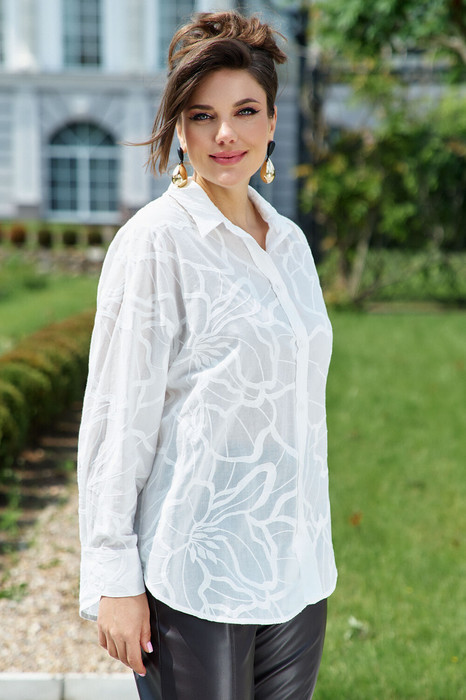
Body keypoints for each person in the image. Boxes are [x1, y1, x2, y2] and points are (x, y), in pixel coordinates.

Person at [78, 10, 337, 700]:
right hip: (194, 574)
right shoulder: (156, 242)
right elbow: (118, 416)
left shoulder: (290, 244)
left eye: (245, 111)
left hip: (297, 569)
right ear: (179, 130)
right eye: (203, 116)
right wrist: (114, 578)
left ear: (272, 122)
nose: (226, 134)